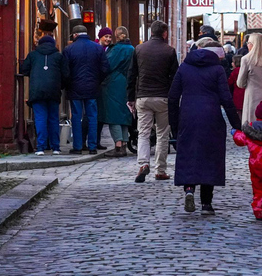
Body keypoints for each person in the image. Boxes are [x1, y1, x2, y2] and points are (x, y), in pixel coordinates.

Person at [169, 39, 240, 215]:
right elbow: (226, 98)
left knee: (189, 153)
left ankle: (189, 189)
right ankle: (206, 204)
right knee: (210, 157)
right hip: (211, 116)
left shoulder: (184, 68)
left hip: (188, 115)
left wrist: (174, 125)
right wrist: (236, 125)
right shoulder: (217, 70)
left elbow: (172, 97)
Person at [127, 20, 179, 182]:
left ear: (151, 32)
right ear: (164, 33)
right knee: (163, 134)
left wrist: (130, 98)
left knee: (143, 132)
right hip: (163, 97)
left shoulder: (139, 49)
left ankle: (143, 163)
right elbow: (175, 78)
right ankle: (160, 169)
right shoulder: (169, 51)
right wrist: (174, 98)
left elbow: (131, 75)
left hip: (143, 96)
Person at [63, 24, 110, 155]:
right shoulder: (97, 48)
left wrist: (68, 84)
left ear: (75, 35)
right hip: (92, 87)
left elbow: (65, 72)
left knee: (76, 117)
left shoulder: (69, 49)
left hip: (75, 88)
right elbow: (106, 68)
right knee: (92, 116)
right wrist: (97, 80)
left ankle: (77, 147)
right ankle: (92, 146)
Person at [20, 35, 69, 155]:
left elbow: (24, 70)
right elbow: (66, 74)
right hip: (53, 91)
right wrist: (60, 86)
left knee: (40, 118)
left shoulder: (33, 55)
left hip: (37, 91)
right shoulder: (58, 56)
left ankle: (41, 147)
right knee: (53, 119)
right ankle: (56, 147)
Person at [99, 27, 134, 157]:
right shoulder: (132, 49)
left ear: (116, 36)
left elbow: (107, 65)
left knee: (114, 116)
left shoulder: (118, 49)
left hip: (114, 83)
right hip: (126, 82)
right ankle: (124, 144)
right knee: (124, 115)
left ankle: (118, 145)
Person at [227, 54, 245, 120]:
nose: (231, 63)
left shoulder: (235, 71)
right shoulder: (246, 69)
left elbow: (230, 82)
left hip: (238, 94)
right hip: (246, 93)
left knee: (239, 112)